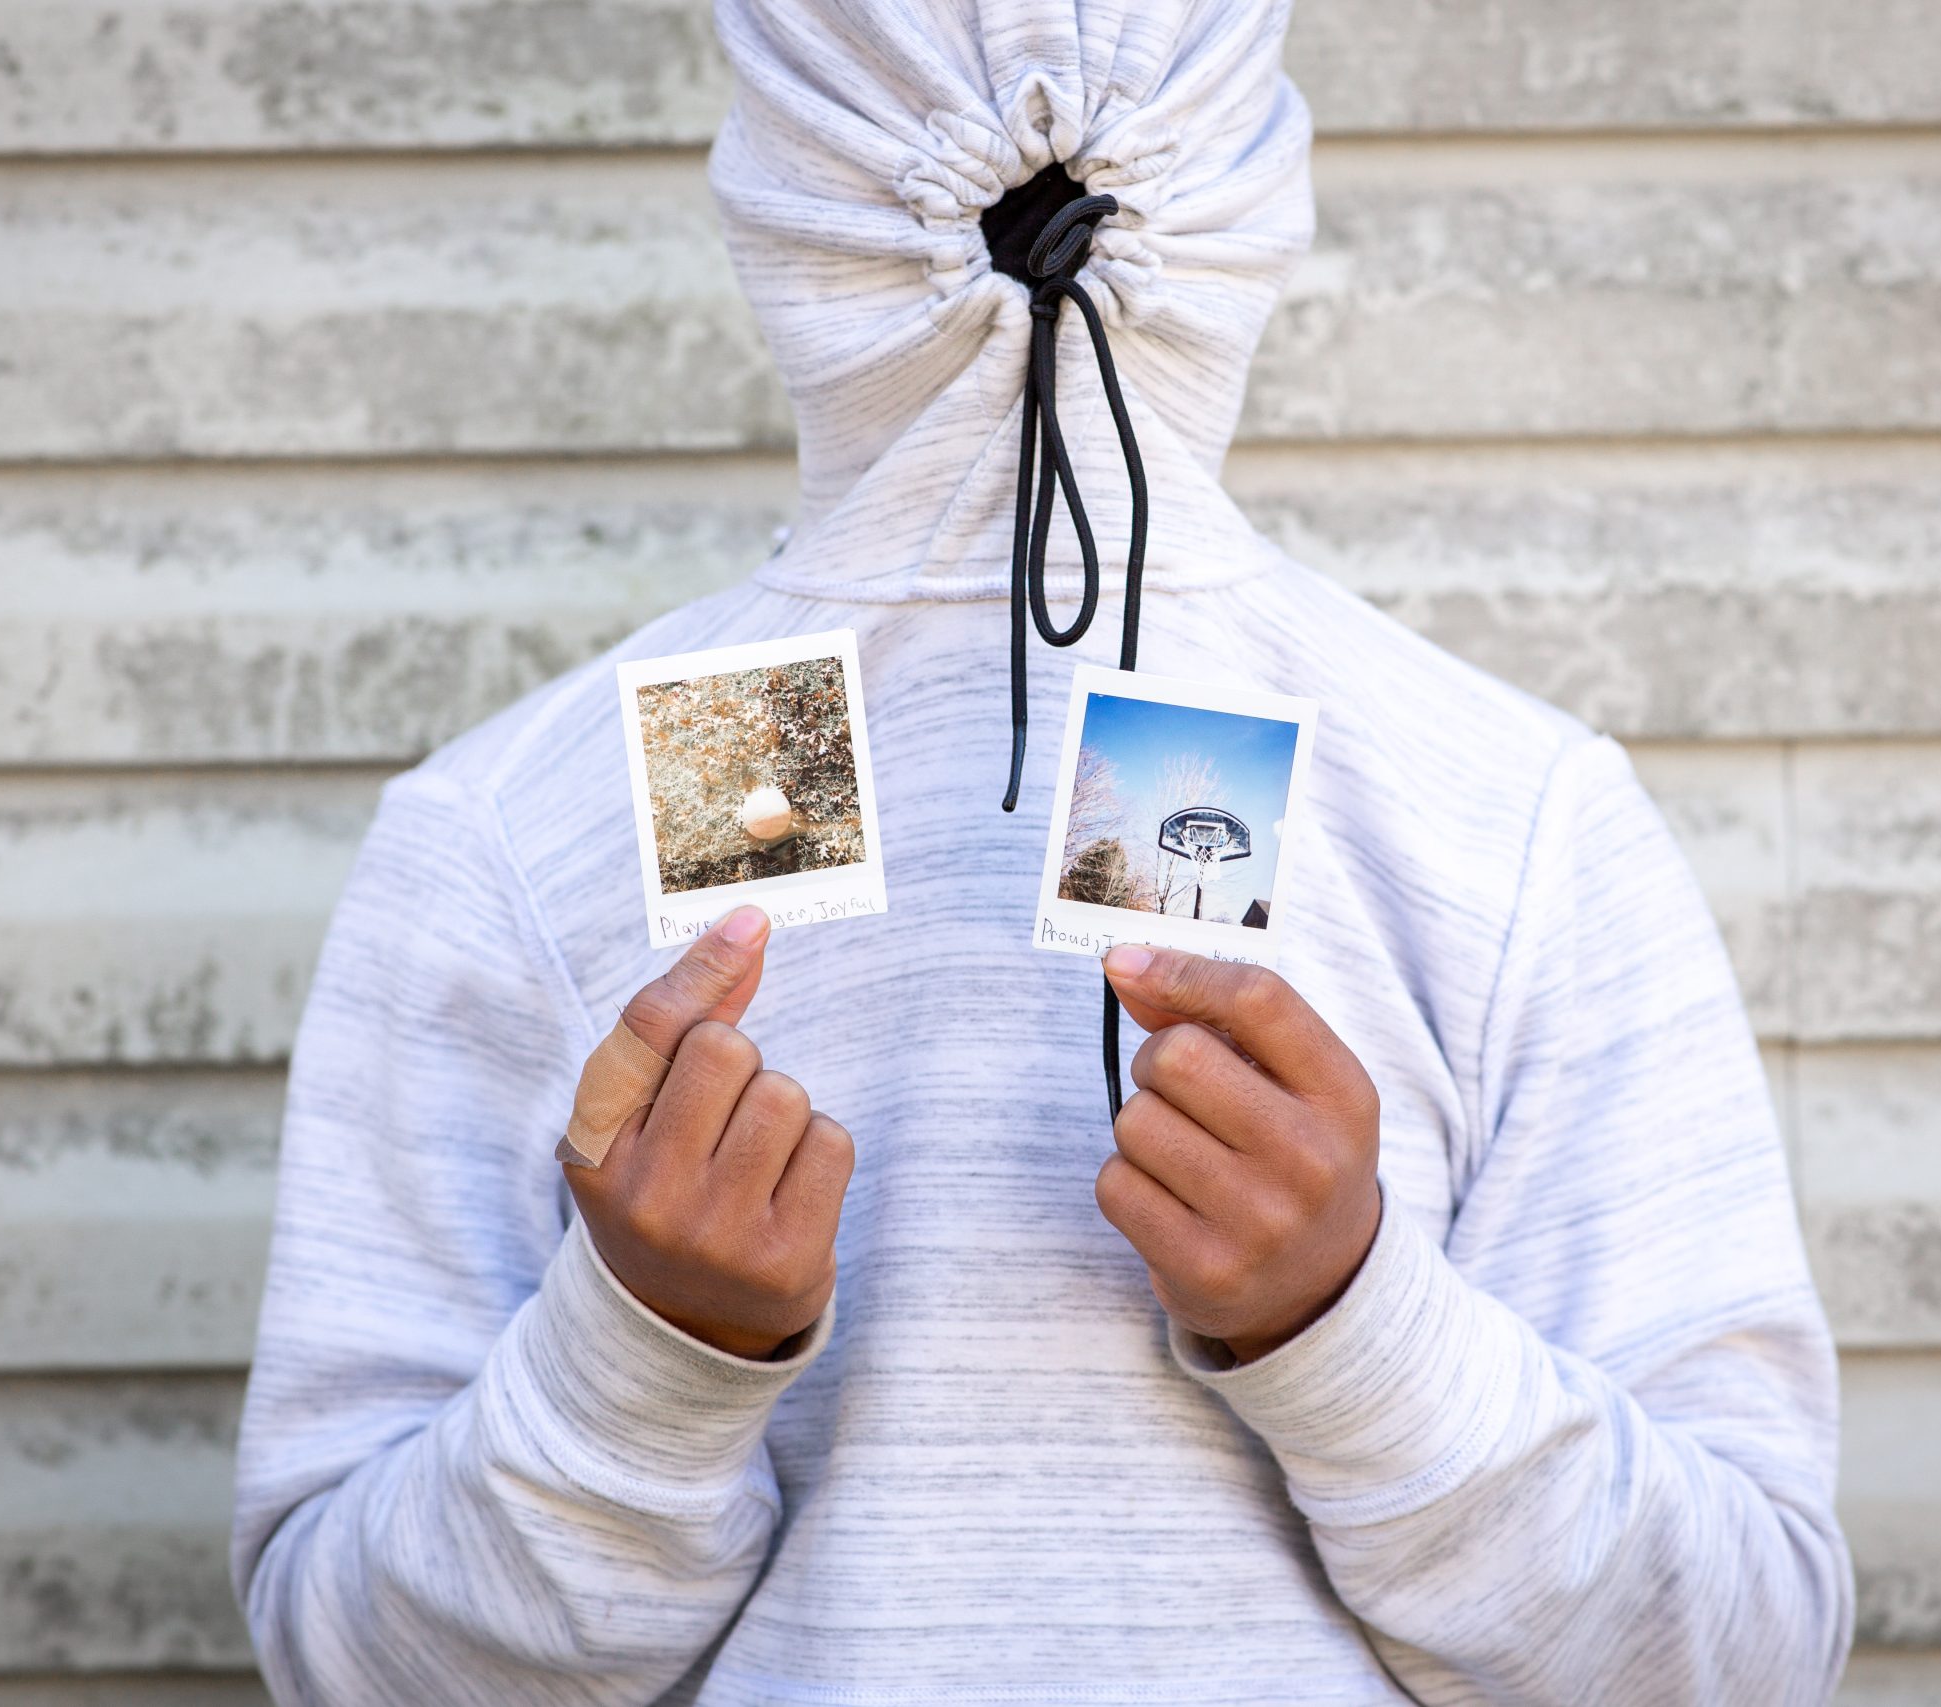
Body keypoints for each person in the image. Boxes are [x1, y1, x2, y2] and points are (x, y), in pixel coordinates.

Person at [227, 1, 1855, 1701]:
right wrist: (649, 1354)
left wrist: (1350, 1322)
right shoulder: (521, 831)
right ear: (1249, 174)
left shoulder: (1517, 825)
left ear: (780, 179)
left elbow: (1746, 1652)